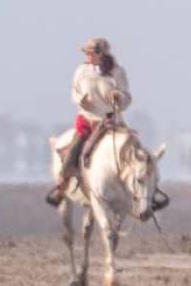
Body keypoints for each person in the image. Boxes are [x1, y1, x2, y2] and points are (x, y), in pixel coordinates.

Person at [46, 38, 131, 206]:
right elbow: (74, 91)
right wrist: (80, 99)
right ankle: (62, 186)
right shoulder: (82, 71)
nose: (88, 56)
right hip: (88, 121)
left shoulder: (118, 72)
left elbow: (127, 98)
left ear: (102, 54)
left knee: (133, 150)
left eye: (92, 53)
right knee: (74, 152)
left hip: (110, 122)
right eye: (87, 53)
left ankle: (143, 189)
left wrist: (119, 97)